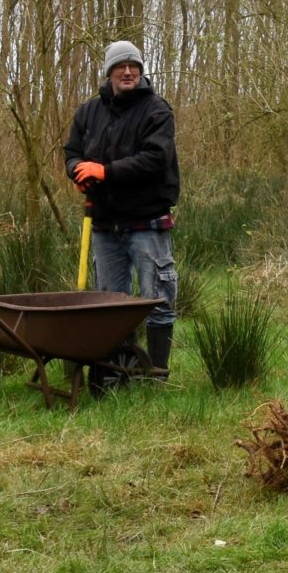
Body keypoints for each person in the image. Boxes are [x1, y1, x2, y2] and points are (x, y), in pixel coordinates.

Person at [64, 40, 181, 378]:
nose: (128, 71)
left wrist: (105, 171)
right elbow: (71, 152)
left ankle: (156, 372)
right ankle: (117, 369)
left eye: (134, 66)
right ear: (109, 72)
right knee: (110, 305)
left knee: (156, 298)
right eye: (120, 66)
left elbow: (156, 159)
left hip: (147, 221)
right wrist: (77, 171)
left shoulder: (157, 110)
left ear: (141, 71)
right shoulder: (88, 112)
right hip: (104, 223)